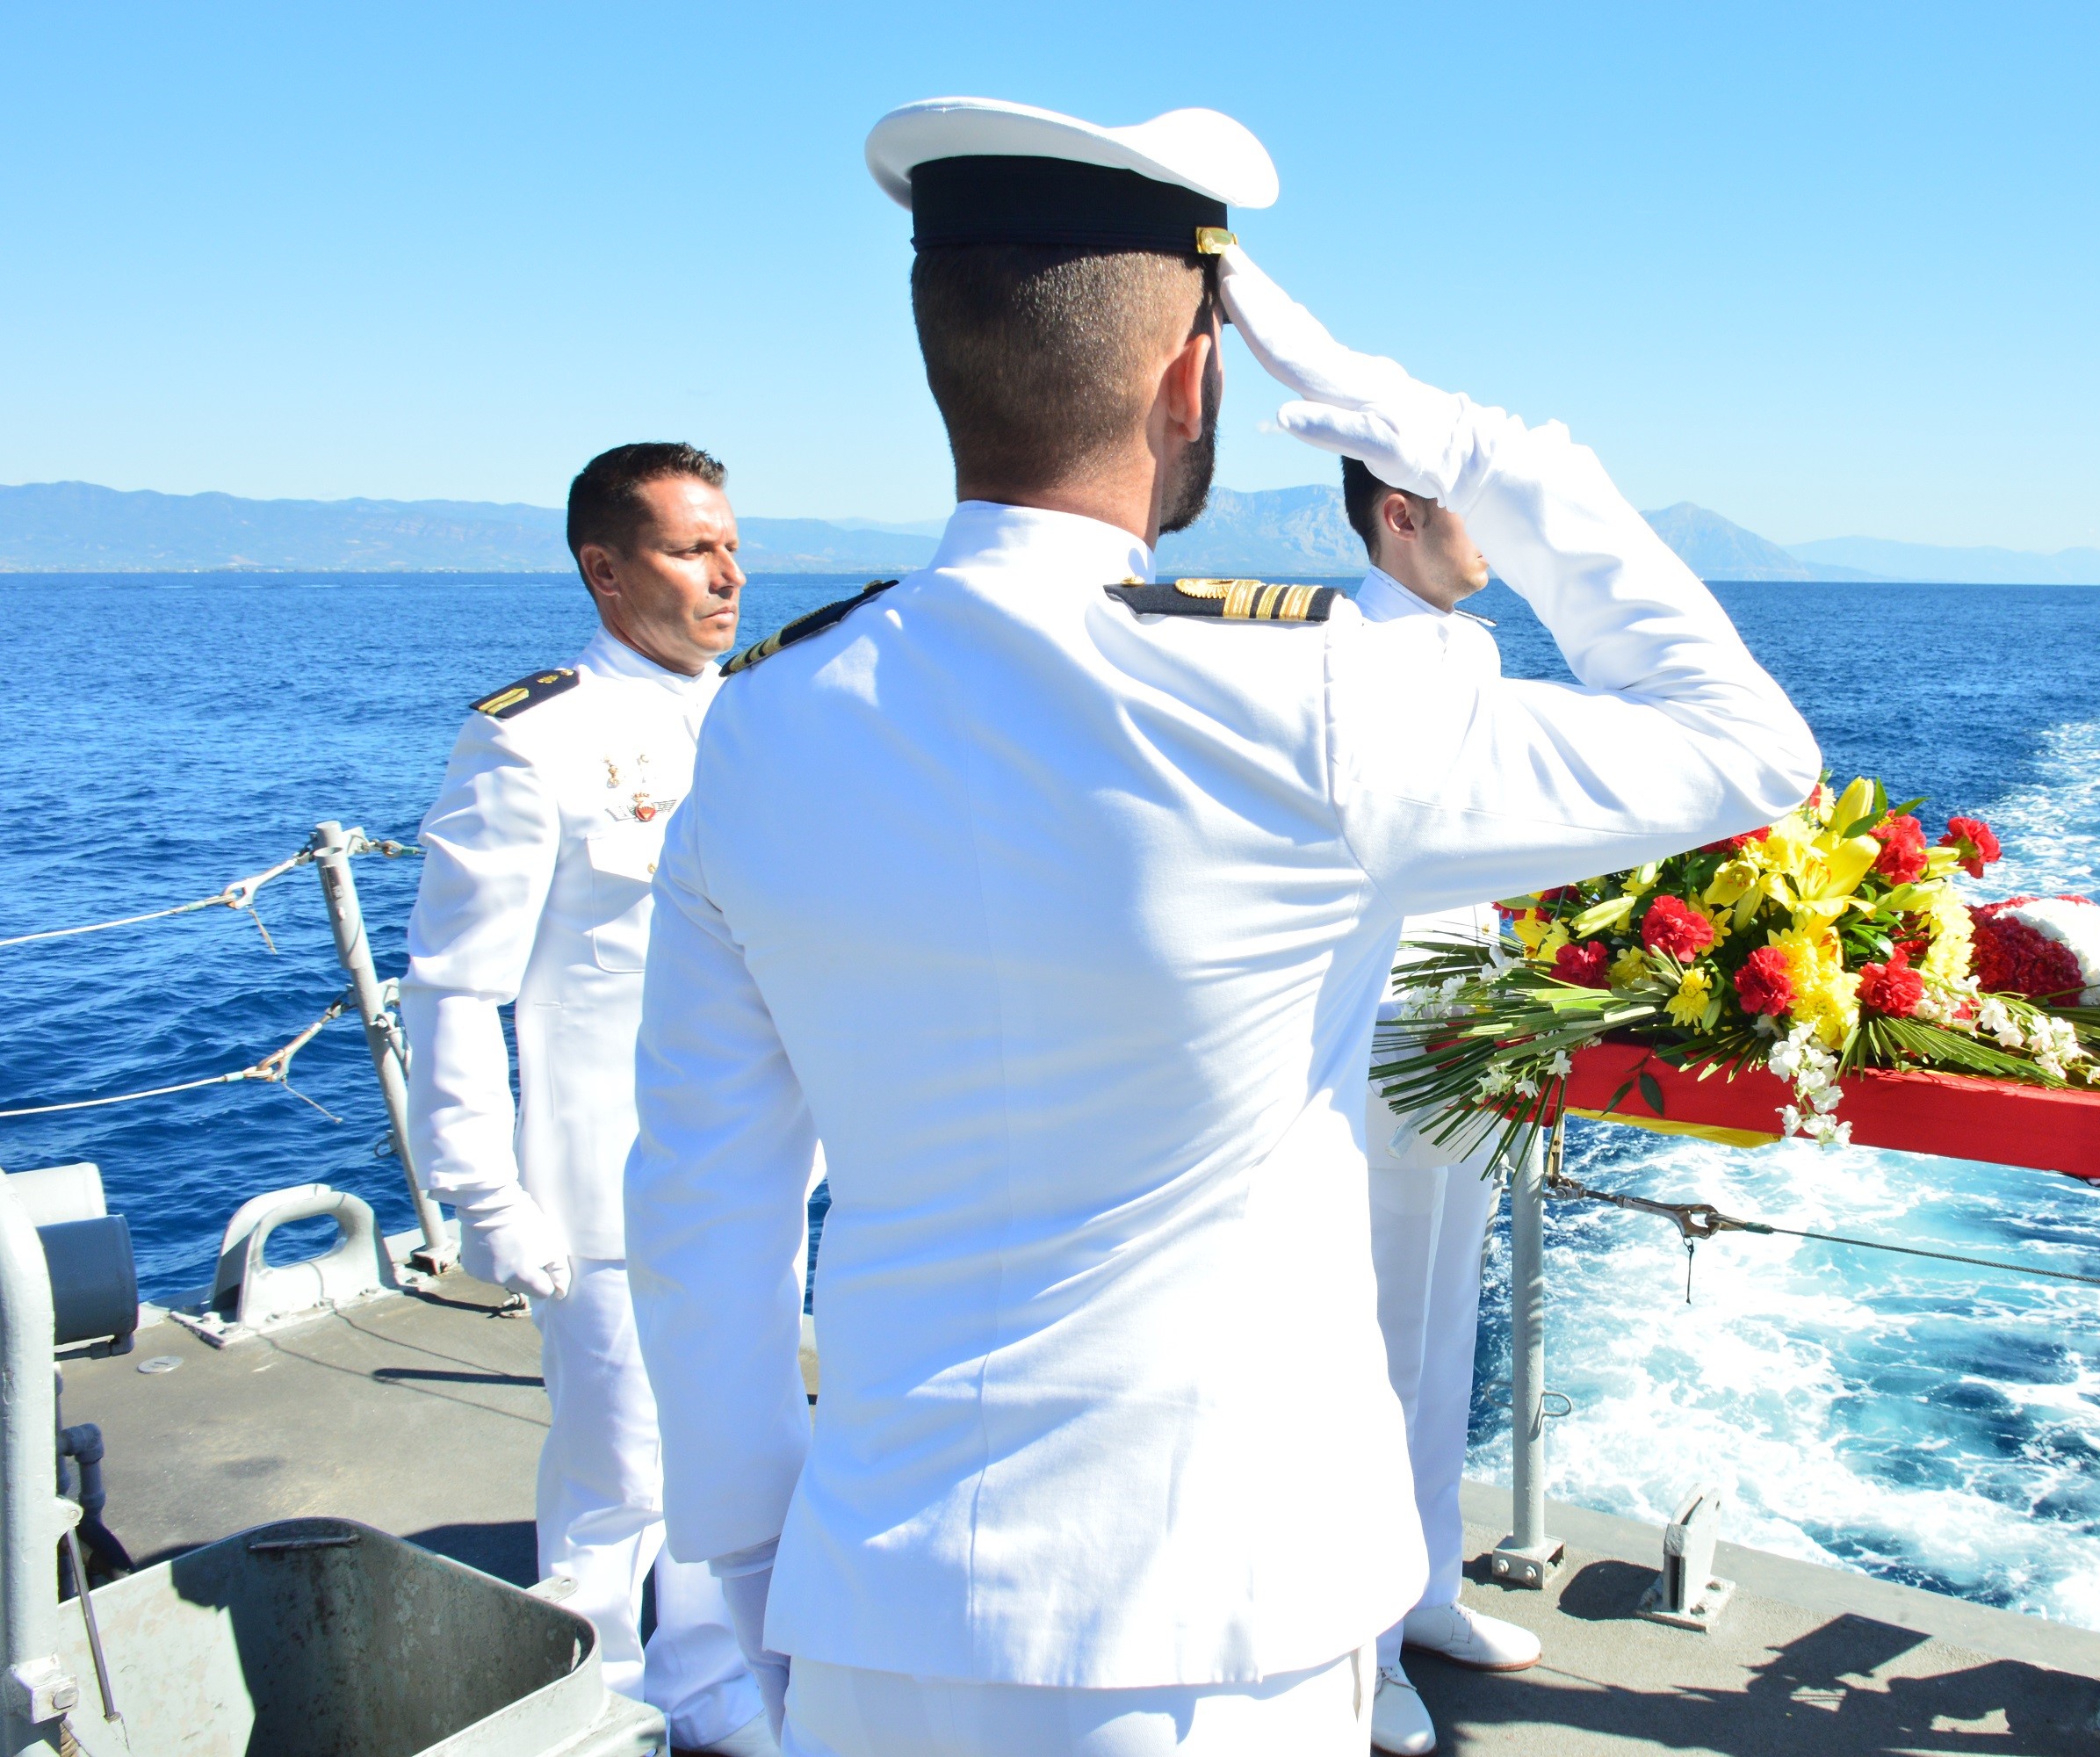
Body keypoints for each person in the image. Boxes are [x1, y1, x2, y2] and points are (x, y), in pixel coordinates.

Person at [623, 97, 1821, 1757]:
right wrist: (1460, 441)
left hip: (868, 1611)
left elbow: (699, 1214)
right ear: (1196, 377)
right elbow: (1740, 741)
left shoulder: (757, 727)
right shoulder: (1308, 697)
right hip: (1215, 1631)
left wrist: (759, 1576)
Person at [400, 443, 769, 1757]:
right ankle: (598, 1700)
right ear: (606, 572)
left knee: (739, 1455)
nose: (727, 576)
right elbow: (454, 985)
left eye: (731, 545)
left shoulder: (762, 714)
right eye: (690, 550)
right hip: (605, 1179)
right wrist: (483, 1187)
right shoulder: (533, 738)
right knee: (620, 1477)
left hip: (757, 1173)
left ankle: (720, 1686)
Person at [1339, 458, 1541, 1757]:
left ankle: (1423, 1589)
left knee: (1445, 1321)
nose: (1501, 540)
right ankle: (1352, 1647)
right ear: (1399, 518)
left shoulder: (1467, 651)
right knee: (1370, 1346)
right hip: (1384, 1037)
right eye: (1480, 512)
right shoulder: (1342, 655)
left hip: (1472, 1027)